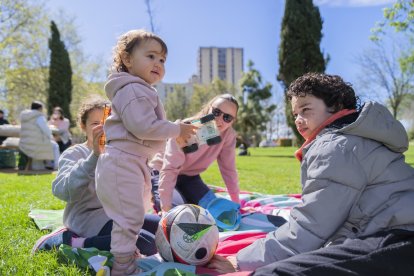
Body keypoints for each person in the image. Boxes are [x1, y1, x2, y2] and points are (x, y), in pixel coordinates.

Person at [208, 73, 414, 275]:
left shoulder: (336, 147)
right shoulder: (348, 140)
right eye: (295, 114)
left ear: (336, 106)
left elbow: (310, 227)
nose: (298, 120)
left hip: (399, 240)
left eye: (305, 110)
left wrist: (241, 262)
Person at [95, 29, 197, 275]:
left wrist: (175, 131)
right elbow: (142, 126)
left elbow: (145, 126)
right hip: (123, 162)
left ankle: (127, 254)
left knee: (135, 215)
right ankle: (122, 266)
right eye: (151, 56)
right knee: (129, 219)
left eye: (162, 60)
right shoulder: (131, 89)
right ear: (127, 59)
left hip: (133, 162)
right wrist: (175, 129)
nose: (158, 63)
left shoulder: (140, 89)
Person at [32, 96, 161, 257]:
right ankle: (72, 242)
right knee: (147, 244)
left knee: (165, 228)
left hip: (116, 214)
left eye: (108, 123)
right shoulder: (75, 153)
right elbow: (62, 191)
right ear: (83, 127)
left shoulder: (118, 153)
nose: (103, 129)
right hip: (85, 218)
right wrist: (94, 156)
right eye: (95, 124)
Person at [150, 93, 240, 214]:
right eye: (216, 112)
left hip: (189, 178)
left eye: (227, 118)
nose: (219, 120)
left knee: (217, 212)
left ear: (232, 121)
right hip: (162, 172)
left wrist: (237, 203)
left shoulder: (228, 136)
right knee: (178, 214)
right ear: (208, 108)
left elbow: (228, 170)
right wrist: (166, 207)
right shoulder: (185, 129)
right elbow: (169, 169)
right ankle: (157, 195)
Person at [19, 101, 60, 170]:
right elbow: (46, 130)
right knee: (55, 146)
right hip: (37, 143)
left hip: (25, 144)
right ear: (40, 108)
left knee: (47, 145)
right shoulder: (39, 117)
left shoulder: (24, 117)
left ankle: (48, 164)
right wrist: (51, 137)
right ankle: (57, 166)